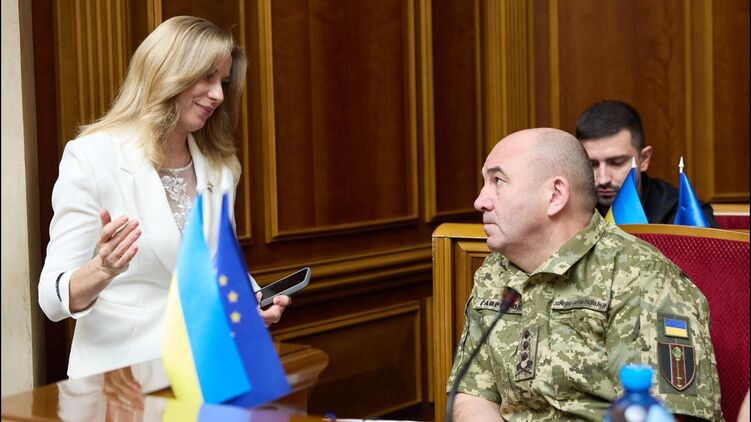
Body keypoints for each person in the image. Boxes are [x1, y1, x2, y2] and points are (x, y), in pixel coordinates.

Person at [38, 16, 290, 379]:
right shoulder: (92, 157)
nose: (218, 95)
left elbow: (218, 266)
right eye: (207, 77)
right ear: (167, 72)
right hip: (119, 384)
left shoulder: (221, 169)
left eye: (222, 82)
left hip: (205, 376)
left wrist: (251, 302)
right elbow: (51, 298)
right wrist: (103, 269)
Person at [447, 128, 722, 421]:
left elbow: (660, 414)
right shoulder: (495, 271)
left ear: (555, 195)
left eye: (497, 181)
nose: (480, 201)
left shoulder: (642, 277)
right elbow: (472, 394)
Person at [575, 100, 717, 227]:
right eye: (591, 164)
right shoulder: (570, 208)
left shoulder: (683, 212)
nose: (603, 179)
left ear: (644, 159)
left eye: (617, 163)